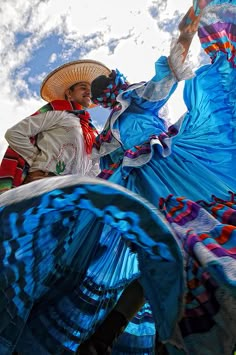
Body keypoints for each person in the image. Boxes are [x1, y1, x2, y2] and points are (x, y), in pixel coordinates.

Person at [0, 1, 235, 355]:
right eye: (99, 95)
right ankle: (113, 334)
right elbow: (89, 163)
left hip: (168, 165)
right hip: (133, 180)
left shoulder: (139, 98)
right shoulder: (104, 131)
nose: (102, 97)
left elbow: (171, 70)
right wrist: (46, 173)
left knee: (181, 233)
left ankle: (160, 323)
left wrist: (187, 30)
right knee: (148, 248)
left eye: (102, 90)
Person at [0, 59, 110, 191]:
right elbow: (15, 133)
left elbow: (94, 168)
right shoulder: (58, 113)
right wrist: (36, 158)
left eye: (89, 89)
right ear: (69, 94)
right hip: (43, 183)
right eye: (82, 87)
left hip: (71, 195)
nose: (88, 91)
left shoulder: (92, 132)